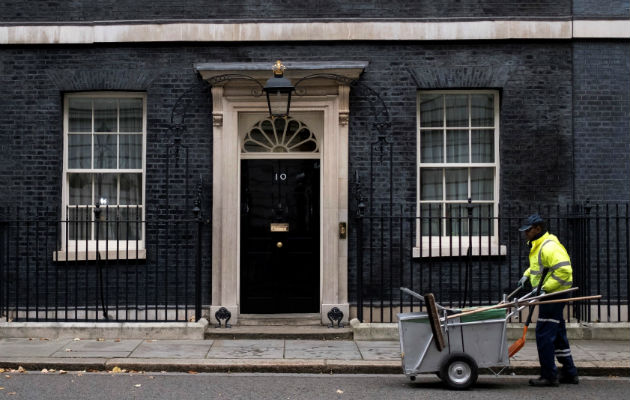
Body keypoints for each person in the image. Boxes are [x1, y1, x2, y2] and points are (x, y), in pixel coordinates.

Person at [516, 214, 579, 387]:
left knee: (543, 334)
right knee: (558, 333)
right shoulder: (539, 245)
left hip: (553, 296)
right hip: (550, 295)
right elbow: (539, 267)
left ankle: (549, 376)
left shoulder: (549, 246)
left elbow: (565, 271)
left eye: (528, 230)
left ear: (538, 229)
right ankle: (569, 372)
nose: (525, 233)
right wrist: (526, 275)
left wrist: (546, 288)